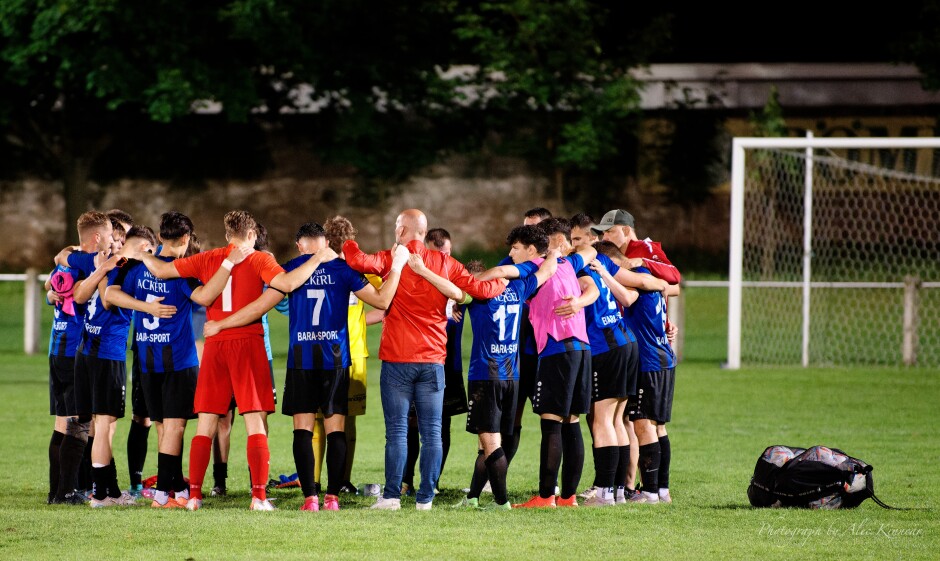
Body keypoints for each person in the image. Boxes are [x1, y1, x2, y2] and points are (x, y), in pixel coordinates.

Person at [134, 210, 336, 511]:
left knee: (206, 423)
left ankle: (196, 496)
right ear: (252, 234)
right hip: (247, 343)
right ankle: (258, 497)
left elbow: (162, 272)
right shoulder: (259, 259)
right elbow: (289, 284)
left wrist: (141, 256)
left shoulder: (209, 258)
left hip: (215, 344)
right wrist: (317, 258)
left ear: (228, 235)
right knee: (255, 420)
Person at [204, 222, 407, 512]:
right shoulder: (343, 270)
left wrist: (222, 323)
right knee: (336, 427)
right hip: (335, 359)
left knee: (303, 428)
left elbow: (261, 306)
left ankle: (311, 498)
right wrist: (397, 266)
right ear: (325, 243)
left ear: (300, 245)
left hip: (302, 360)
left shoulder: (289, 270)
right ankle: (333, 498)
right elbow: (383, 300)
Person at [343, 209, 505, 511]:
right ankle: (426, 499)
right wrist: (505, 280)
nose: (394, 231)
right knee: (432, 433)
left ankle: (392, 497)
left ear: (403, 230)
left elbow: (356, 261)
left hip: (397, 360)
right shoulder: (444, 263)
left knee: (397, 432)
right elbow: (480, 289)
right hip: (432, 361)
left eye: (396, 227)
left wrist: (348, 240)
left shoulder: (392, 259)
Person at [479, 221, 599, 508]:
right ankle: (568, 496)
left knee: (551, 424)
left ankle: (546, 497)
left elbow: (499, 272)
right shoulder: (570, 262)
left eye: (516, 249)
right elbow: (591, 252)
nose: (512, 254)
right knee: (572, 422)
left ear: (534, 248)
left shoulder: (534, 265)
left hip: (557, 350)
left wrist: (469, 284)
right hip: (582, 348)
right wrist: (562, 253)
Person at [453, 228, 562, 510]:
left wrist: (454, 298)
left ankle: (501, 502)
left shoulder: (477, 294)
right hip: (511, 376)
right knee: (485, 441)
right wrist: (553, 252)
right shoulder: (518, 288)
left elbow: (454, 291)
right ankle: (473, 497)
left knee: (490, 442)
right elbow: (547, 271)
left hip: (484, 376)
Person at [62, 225, 159, 507]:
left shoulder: (108, 261)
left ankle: (109, 490)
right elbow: (108, 299)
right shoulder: (127, 266)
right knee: (104, 424)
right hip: (107, 353)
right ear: (145, 248)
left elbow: (65, 259)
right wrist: (149, 307)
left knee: (97, 424)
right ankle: (101, 494)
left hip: (86, 349)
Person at [593, 209, 680, 504]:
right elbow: (667, 289)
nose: (605, 237)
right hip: (662, 355)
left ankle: (651, 491)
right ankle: (661, 489)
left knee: (642, 423)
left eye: (609, 232)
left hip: (649, 359)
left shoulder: (641, 270)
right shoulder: (649, 276)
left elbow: (631, 295)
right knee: (656, 425)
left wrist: (605, 274)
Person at [311, 215, 385, 496]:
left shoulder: (319, 268)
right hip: (354, 352)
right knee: (347, 422)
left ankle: (315, 482)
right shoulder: (361, 270)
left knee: (318, 420)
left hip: (319, 351)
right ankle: (341, 480)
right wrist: (359, 323)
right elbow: (385, 302)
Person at [401, 228, 468, 495]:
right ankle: (406, 481)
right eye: (438, 254)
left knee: (442, 426)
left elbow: (475, 290)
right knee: (411, 425)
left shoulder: (456, 279)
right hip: (417, 361)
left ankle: (433, 481)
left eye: (448, 254)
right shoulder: (413, 278)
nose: (443, 259)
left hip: (448, 367)